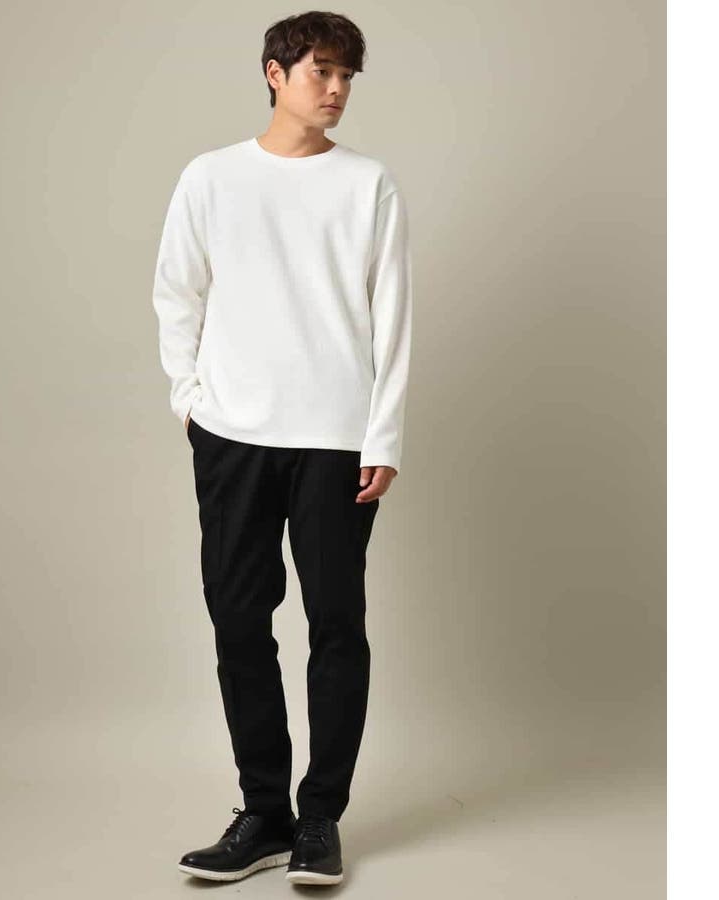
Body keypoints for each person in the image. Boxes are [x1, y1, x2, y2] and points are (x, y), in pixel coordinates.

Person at [152, 10, 413, 887]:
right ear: (275, 72)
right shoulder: (212, 177)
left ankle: (320, 819)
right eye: (320, 72)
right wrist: (190, 400)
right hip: (233, 436)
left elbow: (393, 316)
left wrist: (384, 432)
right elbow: (176, 291)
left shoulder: (368, 184)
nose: (336, 90)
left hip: (337, 440)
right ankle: (264, 811)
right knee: (238, 619)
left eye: (346, 77)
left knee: (337, 625)